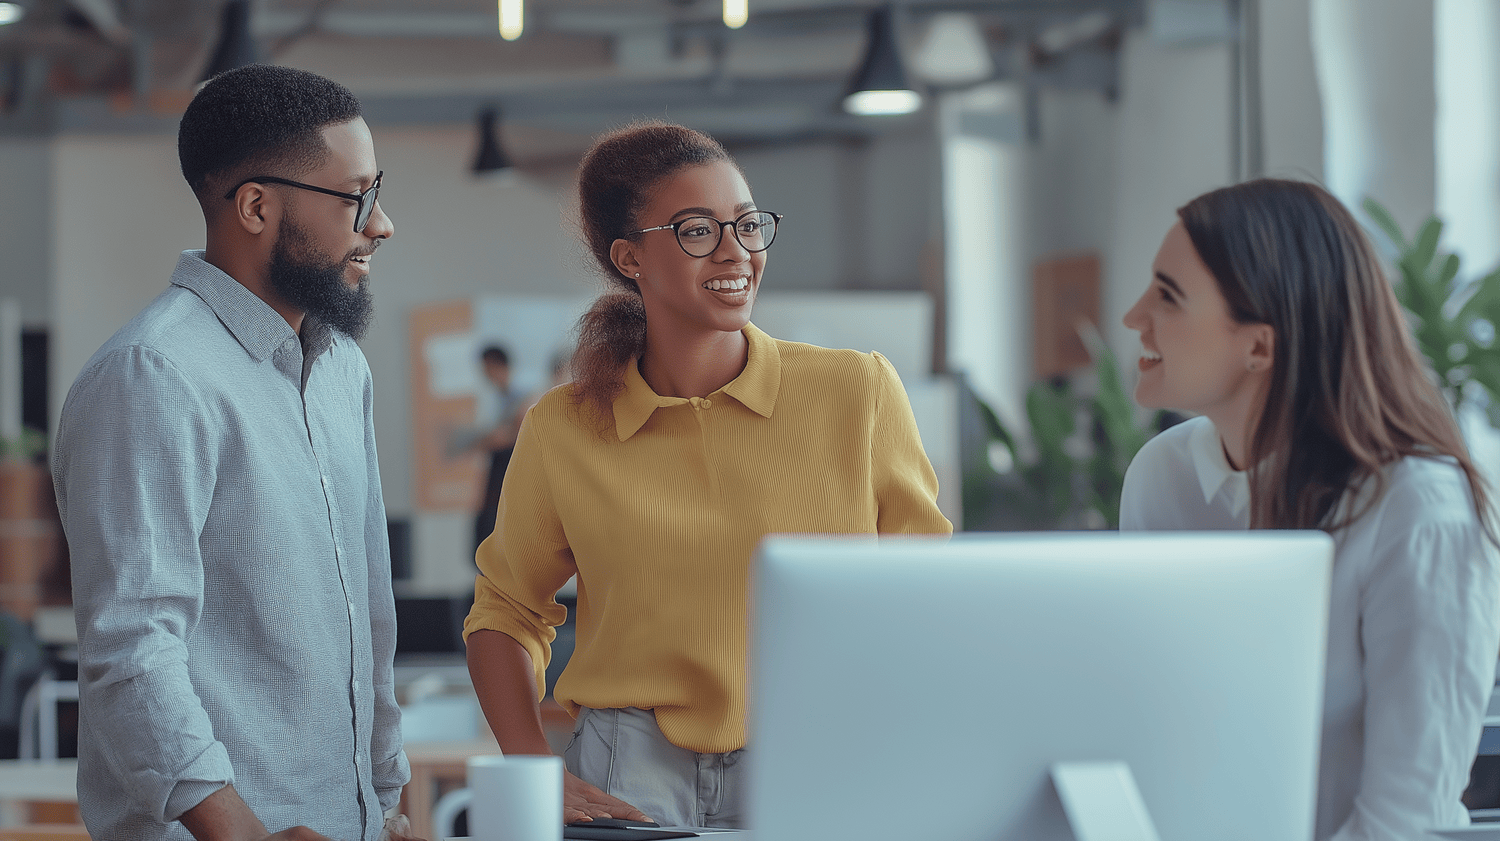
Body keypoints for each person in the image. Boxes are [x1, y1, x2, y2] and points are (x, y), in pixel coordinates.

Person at [462, 121, 952, 829]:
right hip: (624, 770)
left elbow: (925, 595)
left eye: (748, 224)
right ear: (630, 257)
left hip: (817, 750)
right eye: (697, 230)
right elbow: (505, 611)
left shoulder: (857, 391)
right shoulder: (563, 428)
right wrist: (531, 763)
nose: (736, 252)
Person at [52, 64, 420, 841]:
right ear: (257, 206)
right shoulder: (153, 374)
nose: (380, 224)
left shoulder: (340, 368)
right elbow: (131, 646)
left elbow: (370, 616)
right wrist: (242, 833)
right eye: (358, 197)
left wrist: (388, 802)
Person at [1118, 178, 1500, 841]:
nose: (1133, 316)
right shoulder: (1163, 477)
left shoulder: (1420, 509)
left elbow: (1406, 818)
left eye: (1168, 295)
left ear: (1259, 346)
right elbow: (1150, 728)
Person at [471, 344, 523, 552]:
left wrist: (486, 441)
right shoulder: (499, 397)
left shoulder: (520, 396)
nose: (484, 374)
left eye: (486, 368)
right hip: (499, 470)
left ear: (495, 365)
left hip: (509, 470)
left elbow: (516, 435)